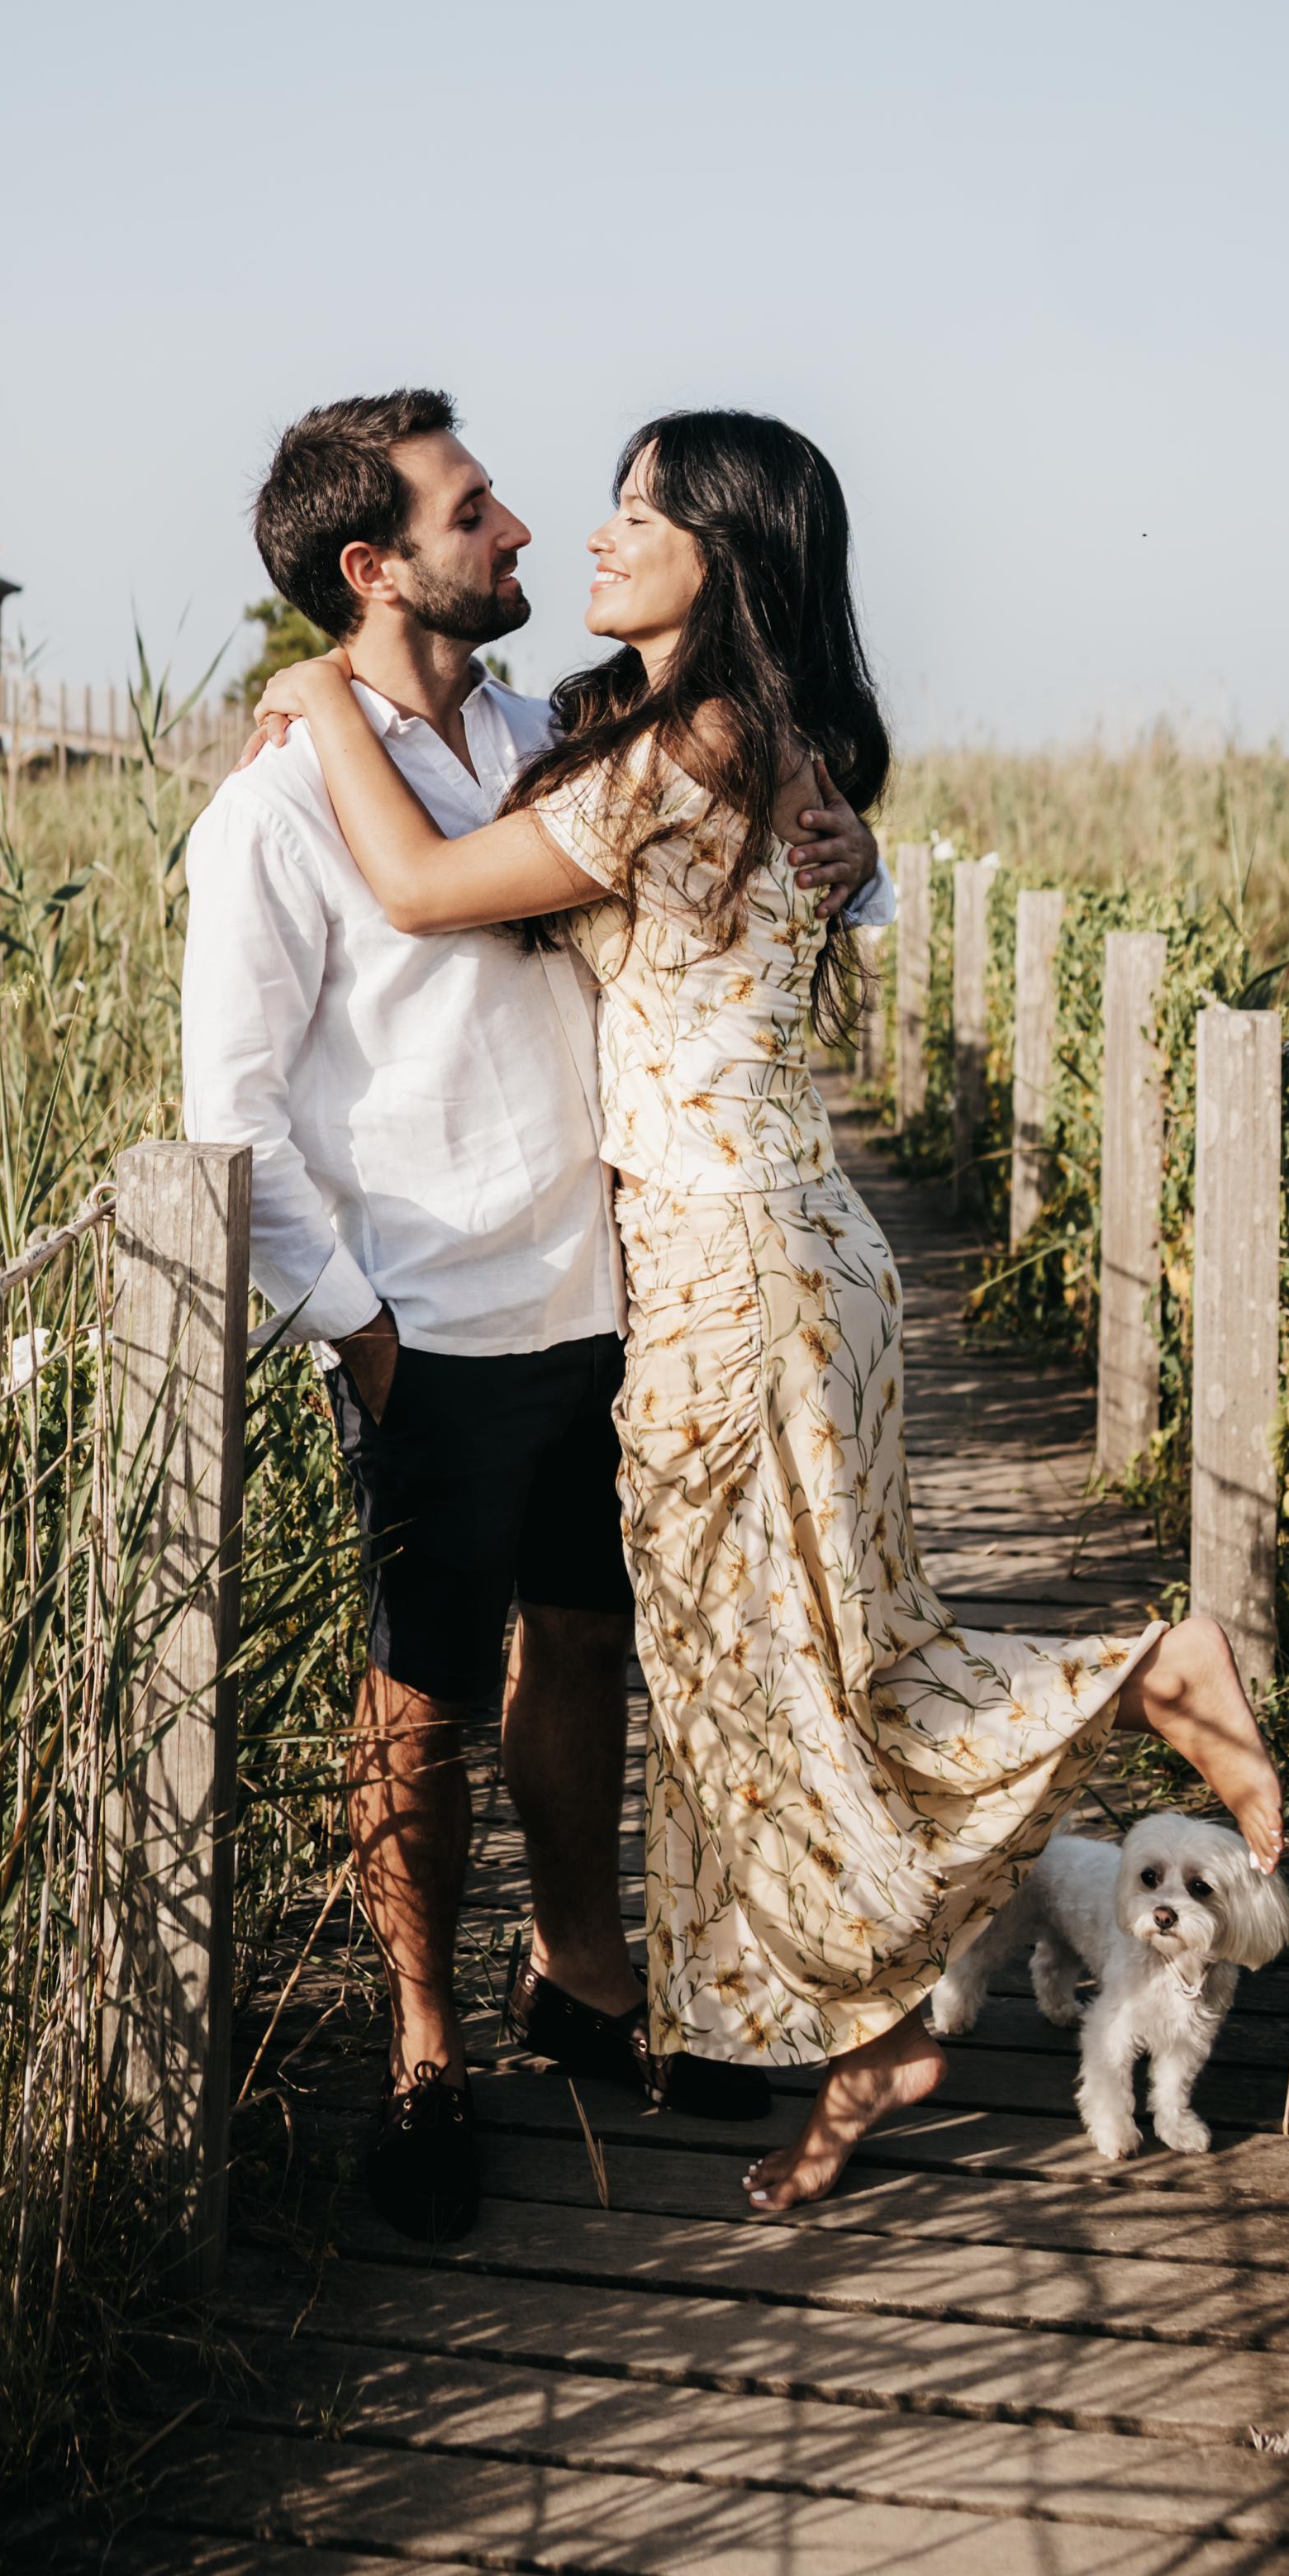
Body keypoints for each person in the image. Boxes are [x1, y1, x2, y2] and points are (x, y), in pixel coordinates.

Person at [254, 406, 1284, 2218]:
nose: (586, 529)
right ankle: (777, 2022)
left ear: (718, 553)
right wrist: (855, 846)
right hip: (810, 1252)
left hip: (730, 1274)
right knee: (816, 1661)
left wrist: (317, 698)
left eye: (634, 508)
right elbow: (761, 880)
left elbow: (420, 889)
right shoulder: (730, 733)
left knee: (761, 1685)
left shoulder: (693, 742)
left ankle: (1120, 1692)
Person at [180, 391, 885, 2240]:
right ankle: (427, 2046)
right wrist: (352, 1322)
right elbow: (231, 1111)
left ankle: (587, 1981)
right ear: (372, 564)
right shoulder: (269, 813)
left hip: (608, 1291)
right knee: (415, 1695)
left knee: (580, 1651)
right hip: (430, 1319)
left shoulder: (549, 731)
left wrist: (853, 852)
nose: (517, 533)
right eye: (473, 510)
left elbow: (741, 822)